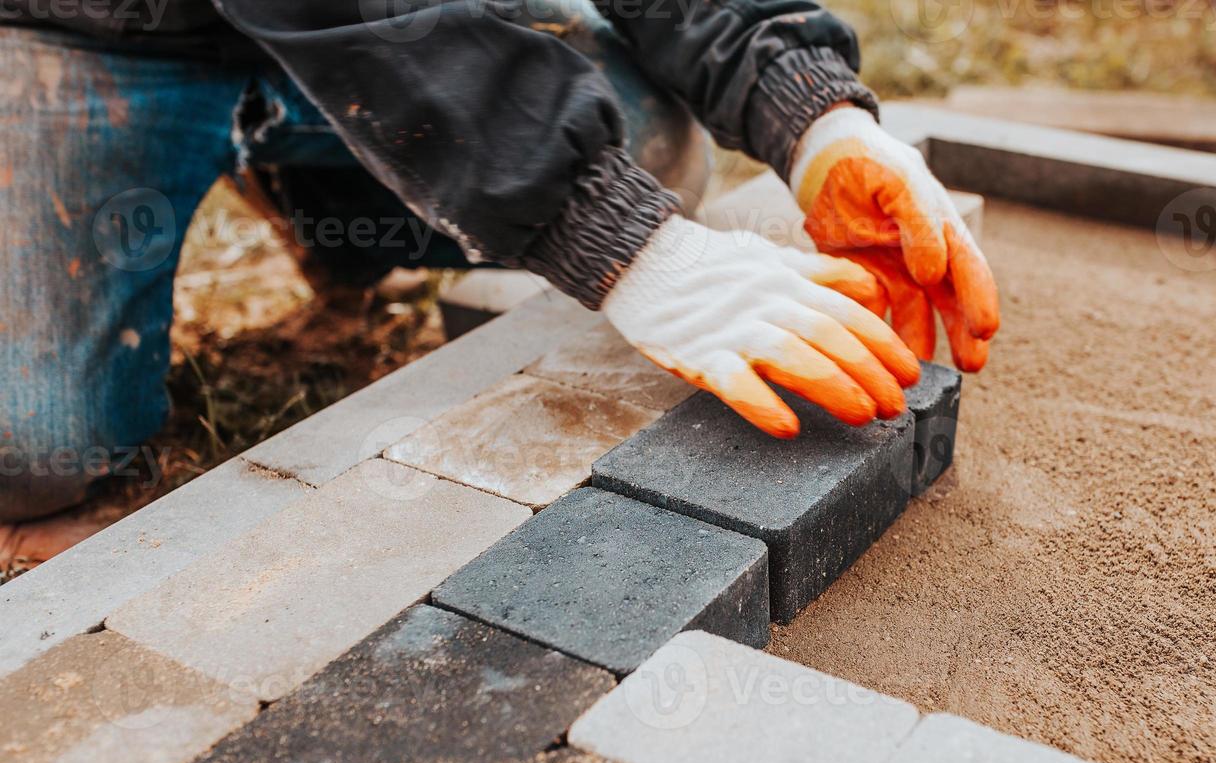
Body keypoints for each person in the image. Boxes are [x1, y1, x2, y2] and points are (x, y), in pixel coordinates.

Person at [0, 0, 999, 566]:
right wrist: (607, 232)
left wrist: (812, 114)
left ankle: (328, 207)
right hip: (90, 32)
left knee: (649, 142)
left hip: (386, 15)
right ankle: (263, 164)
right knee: (33, 445)